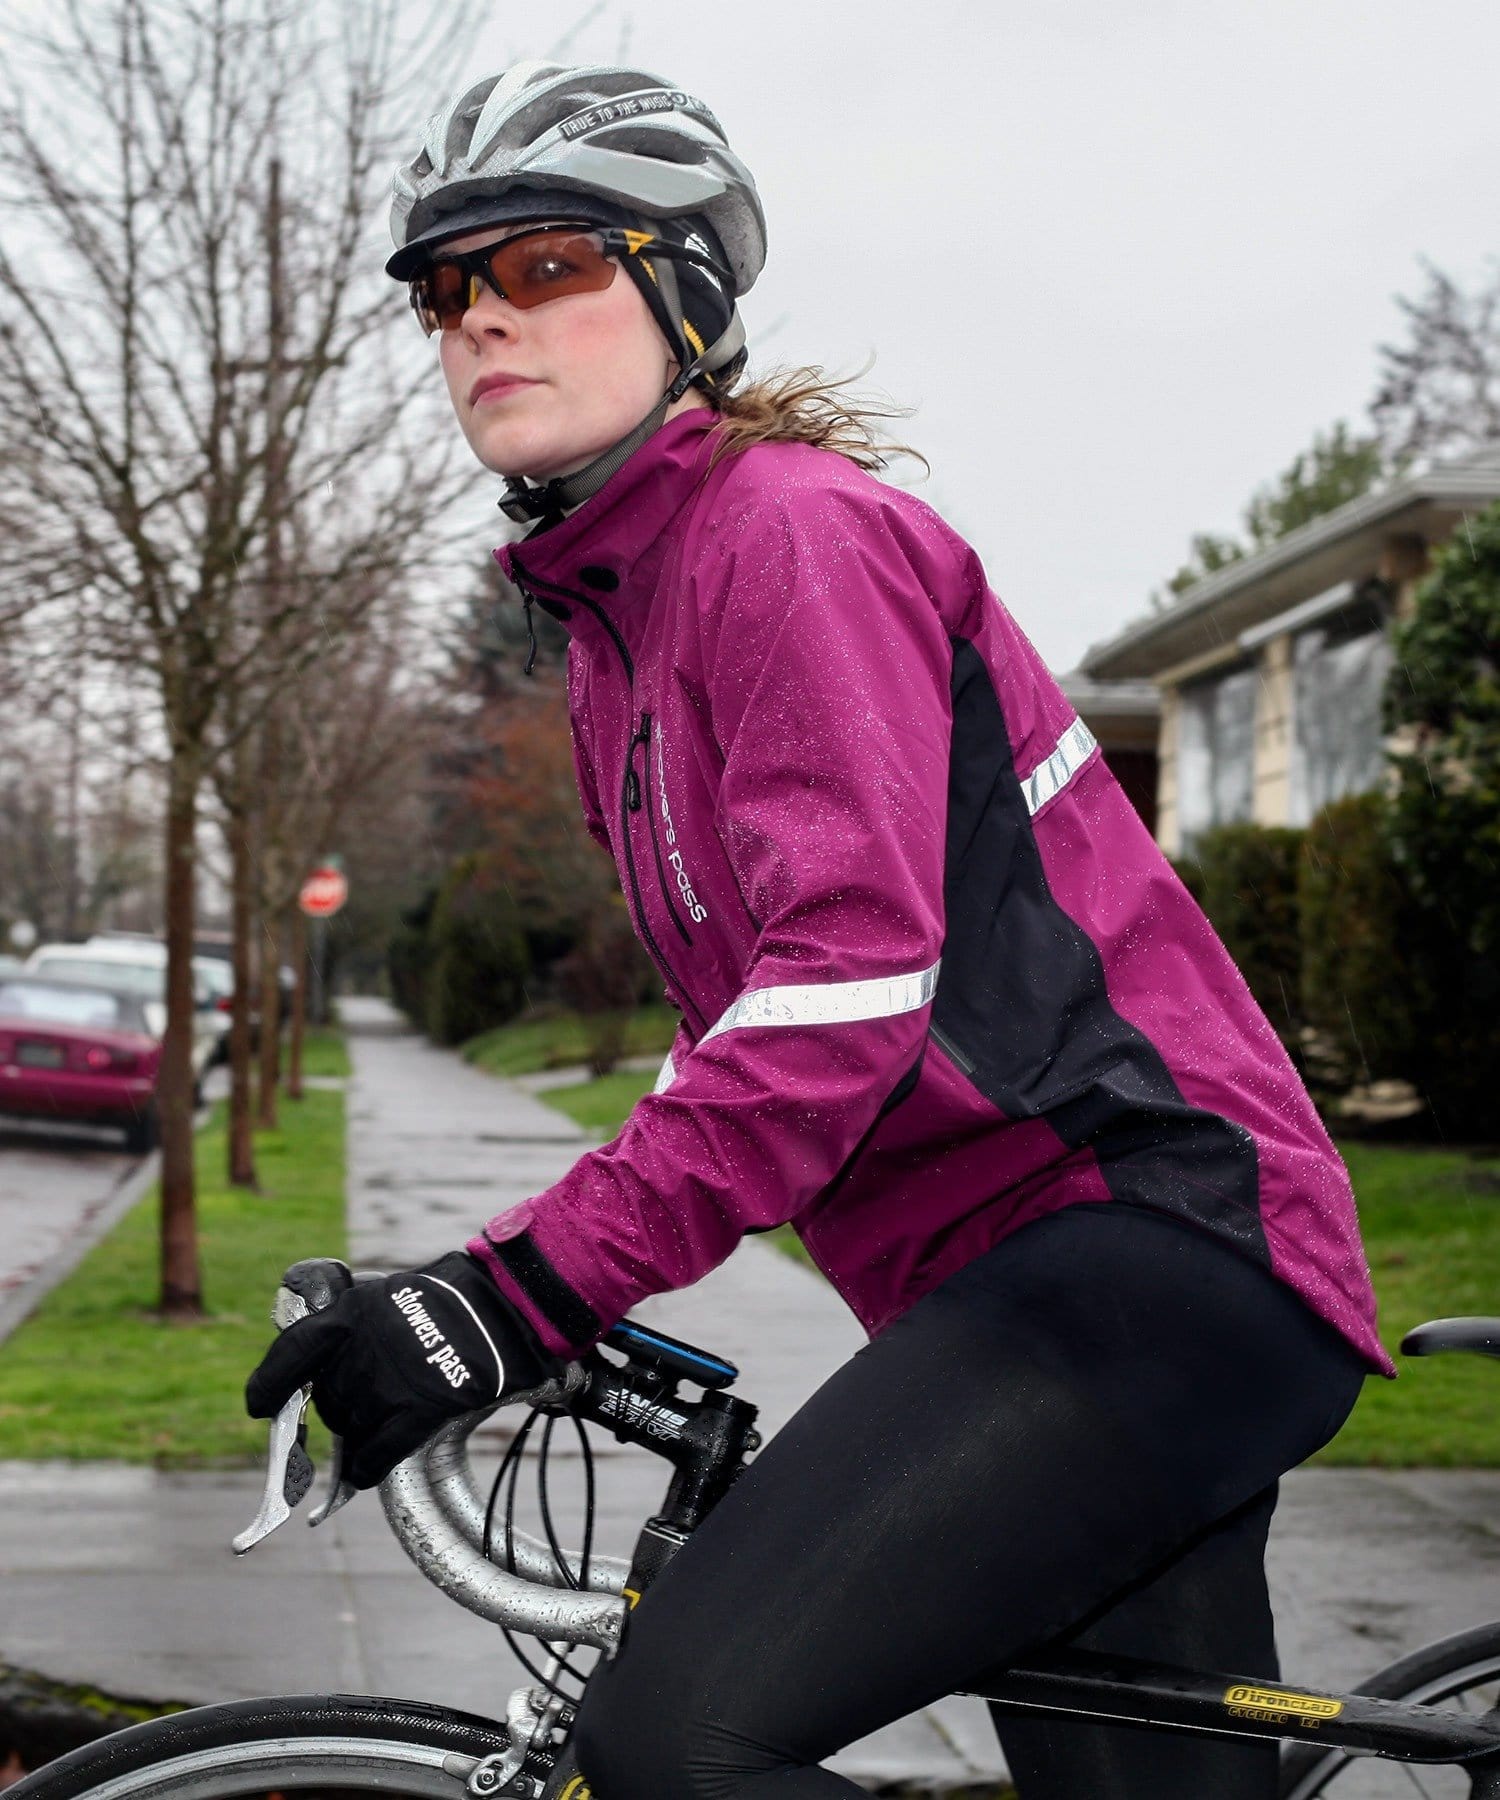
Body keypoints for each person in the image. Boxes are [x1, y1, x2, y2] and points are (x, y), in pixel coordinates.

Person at [247, 60, 1393, 1800]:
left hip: (1138, 1246)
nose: (481, 318)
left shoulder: (784, 538)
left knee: (678, 1745)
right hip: (1012, 1281)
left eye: (547, 264)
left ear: (682, 292)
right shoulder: (621, 628)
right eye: (446, 288)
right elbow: (751, 1043)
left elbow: (839, 1000)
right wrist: (517, 1271)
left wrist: (516, 1294)